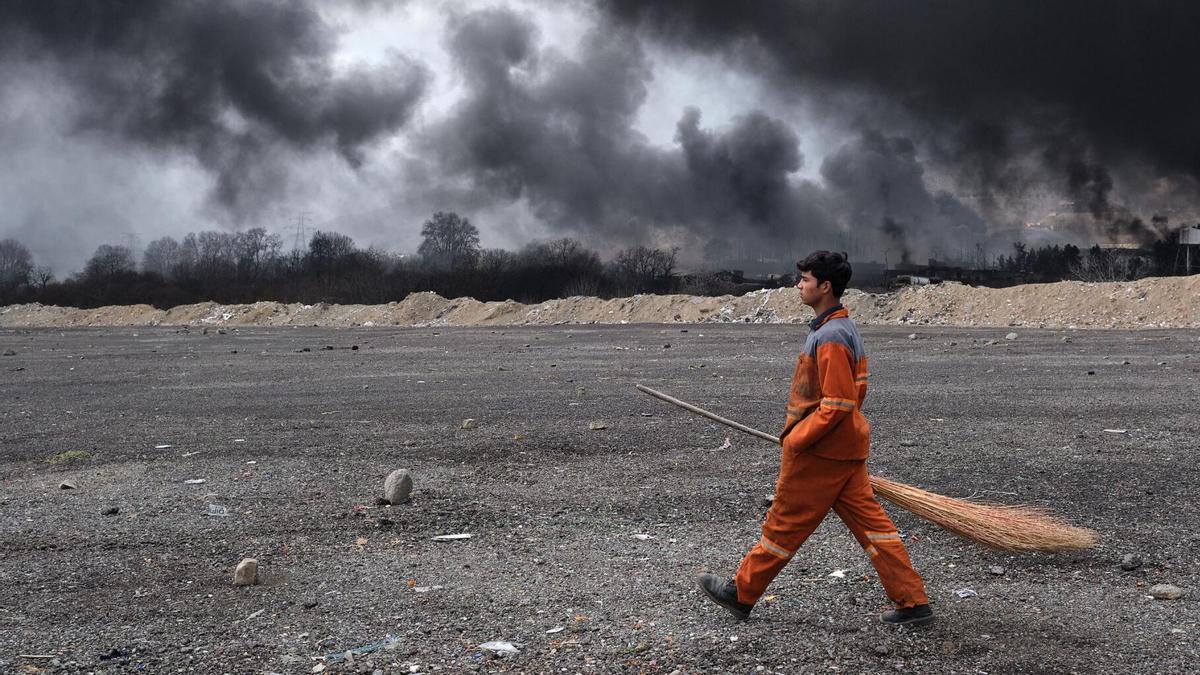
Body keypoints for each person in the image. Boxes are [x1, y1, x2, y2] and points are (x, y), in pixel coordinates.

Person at [697, 250, 933, 626]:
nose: (798, 286)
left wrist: (796, 439)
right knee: (876, 530)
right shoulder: (841, 329)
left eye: (805, 280)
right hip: (844, 451)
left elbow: (837, 404)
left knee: (783, 525)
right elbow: (854, 398)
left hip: (819, 454)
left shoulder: (832, 335)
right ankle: (913, 602)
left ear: (825, 286)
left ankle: (741, 594)